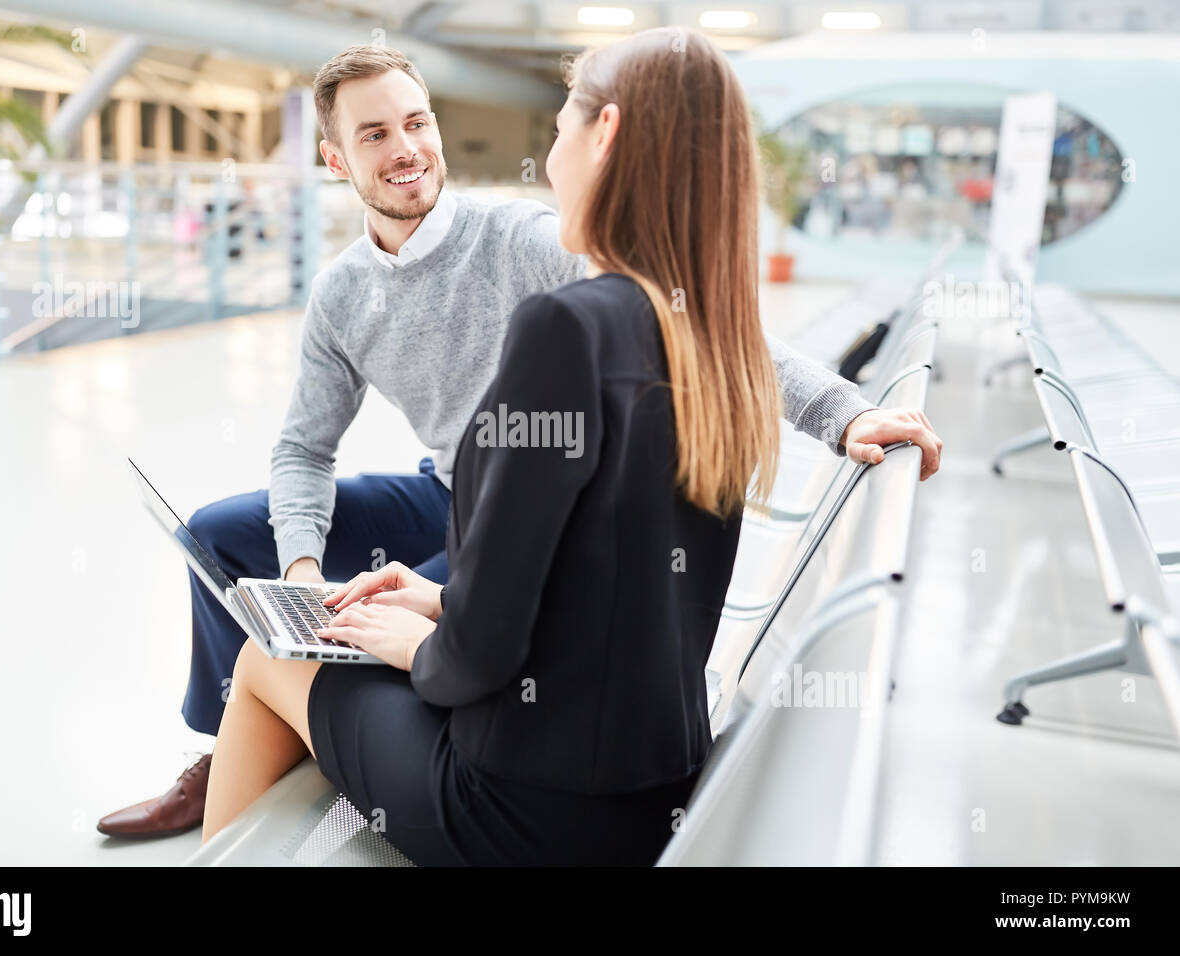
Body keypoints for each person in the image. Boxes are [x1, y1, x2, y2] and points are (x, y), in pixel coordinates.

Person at [98, 42, 942, 839]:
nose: (406, 148)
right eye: (375, 134)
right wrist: (306, 573)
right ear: (336, 161)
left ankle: (279, 716)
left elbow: (694, 321)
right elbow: (303, 452)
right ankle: (230, 749)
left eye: (417, 122)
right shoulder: (342, 293)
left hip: (519, 518)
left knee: (322, 643)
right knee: (216, 533)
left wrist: (838, 411)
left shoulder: (529, 246)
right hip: (454, 492)